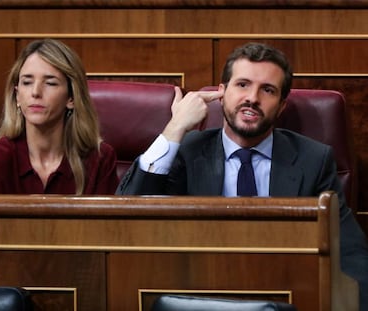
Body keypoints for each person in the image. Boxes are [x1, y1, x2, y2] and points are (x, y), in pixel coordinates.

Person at [117, 42, 368, 309]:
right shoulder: (187, 151)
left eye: (267, 90)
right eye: (242, 85)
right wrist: (175, 127)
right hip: (199, 296)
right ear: (221, 93)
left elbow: (350, 254)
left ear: (282, 105)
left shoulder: (313, 160)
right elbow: (128, 217)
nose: (252, 98)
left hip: (282, 295)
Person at [0, 38, 119, 195]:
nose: (36, 92)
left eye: (50, 83)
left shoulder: (100, 159)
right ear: (17, 96)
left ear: (71, 98)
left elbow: (107, 220)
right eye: (27, 82)